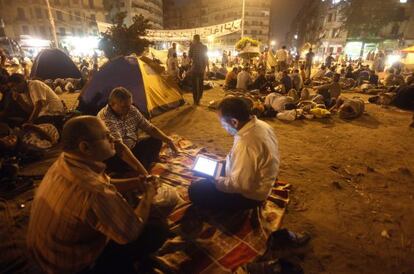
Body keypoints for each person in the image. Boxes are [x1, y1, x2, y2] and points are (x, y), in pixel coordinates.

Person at [27, 116, 168, 274]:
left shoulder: (66, 161)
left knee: (126, 197)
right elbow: (130, 232)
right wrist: (148, 195)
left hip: (46, 251)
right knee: (157, 227)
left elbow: (105, 182)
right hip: (69, 265)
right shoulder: (94, 191)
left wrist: (137, 182)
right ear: (85, 147)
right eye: (106, 136)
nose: (113, 138)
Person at [188, 97, 279, 211]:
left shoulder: (247, 144)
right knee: (215, 170)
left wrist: (215, 180)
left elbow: (241, 185)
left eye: (222, 122)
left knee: (195, 190)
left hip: (250, 197)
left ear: (234, 122)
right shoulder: (260, 124)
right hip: (261, 180)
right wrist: (225, 163)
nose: (222, 126)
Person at [97, 87, 178, 173]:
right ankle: (137, 168)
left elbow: (149, 128)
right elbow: (120, 147)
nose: (128, 110)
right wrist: (143, 172)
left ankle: (142, 165)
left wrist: (168, 141)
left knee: (156, 139)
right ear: (112, 103)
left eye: (130, 105)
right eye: (124, 107)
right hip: (117, 155)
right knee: (125, 164)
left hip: (132, 147)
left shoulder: (131, 109)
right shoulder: (106, 118)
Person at [189, 34, 208, 105]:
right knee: (200, 84)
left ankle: (195, 100)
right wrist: (206, 69)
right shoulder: (204, 47)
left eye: (193, 40)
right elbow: (206, 58)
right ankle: (199, 98)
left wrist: (189, 67)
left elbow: (189, 58)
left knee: (194, 85)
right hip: (201, 69)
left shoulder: (192, 46)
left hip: (194, 68)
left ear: (195, 39)